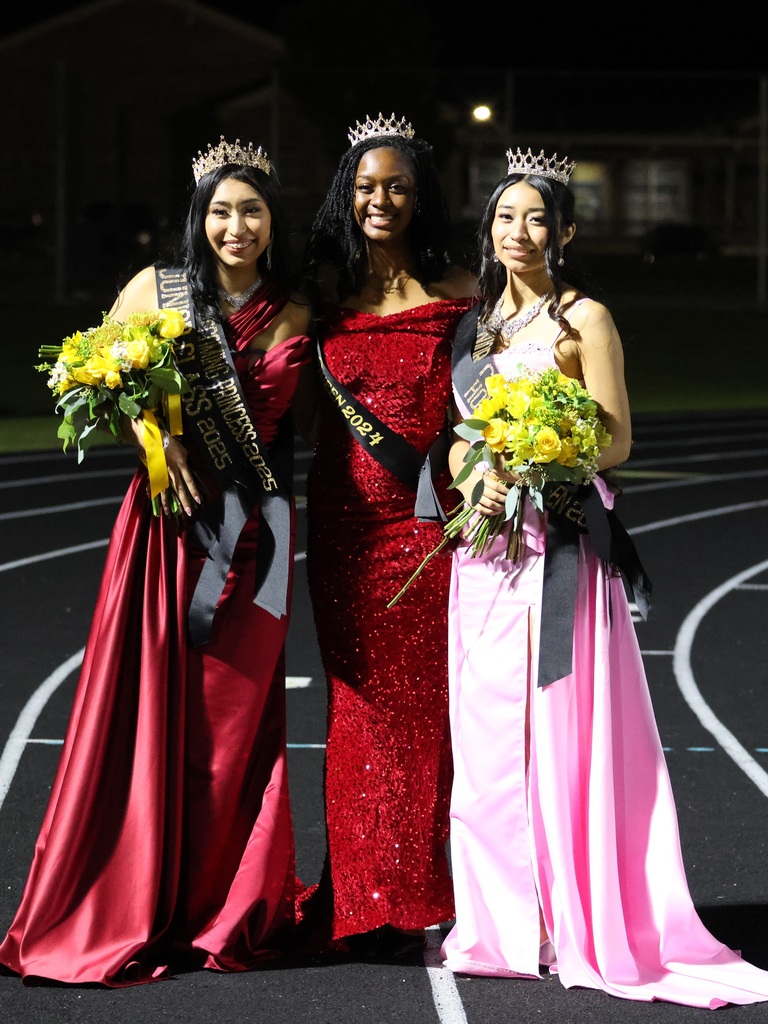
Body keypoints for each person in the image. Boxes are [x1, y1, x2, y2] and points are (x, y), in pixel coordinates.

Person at [438, 146, 768, 1007]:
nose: (518, 232)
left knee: (559, 725)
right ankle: (504, 922)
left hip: (563, 543)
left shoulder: (586, 319)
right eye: (505, 216)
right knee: (484, 732)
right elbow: (458, 438)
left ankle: (572, 915)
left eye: (537, 217)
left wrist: (545, 456)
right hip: (485, 548)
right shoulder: (473, 328)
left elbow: (617, 438)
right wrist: (481, 472)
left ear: (567, 230)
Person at [0, 138, 313, 986]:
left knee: (234, 727)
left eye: (251, 210)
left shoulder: (299, 308)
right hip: (167, 532)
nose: (235, 225)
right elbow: (97, 374)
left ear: (273, 220)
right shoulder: (158, 290)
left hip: (256, 539)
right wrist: (155, 434)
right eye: (220, 210)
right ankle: (134, 897)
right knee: (148, 712)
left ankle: (226, 905)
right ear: (198, 217)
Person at [299, 113, 477, 956]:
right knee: (356, 703)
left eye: (397, 185)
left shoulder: (459, 292)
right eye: (367, 185)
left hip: (426, 522)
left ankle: (418, 890)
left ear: (419, 195)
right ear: (347, 192)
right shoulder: (320, 292)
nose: (381, 198)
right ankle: (356, 893)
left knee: (424, 705)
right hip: (341, 525)